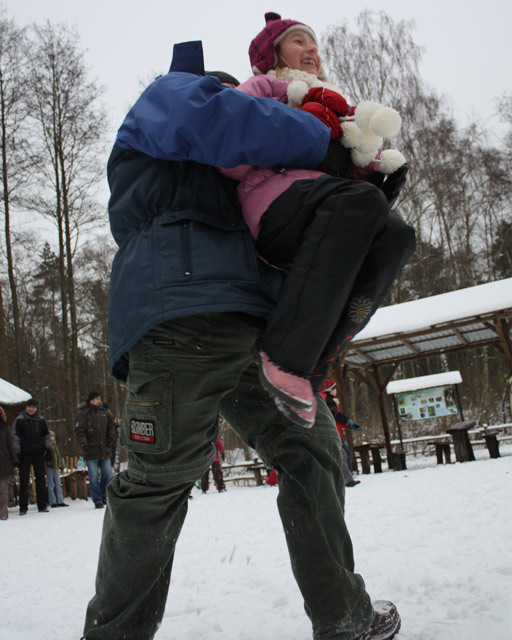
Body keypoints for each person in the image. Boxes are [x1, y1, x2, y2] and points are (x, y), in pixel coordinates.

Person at [80, 42, 402, 640]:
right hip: (182, 315)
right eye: (238, 97)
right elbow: (225, 118)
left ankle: (345, 616)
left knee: (313, 450)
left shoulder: (240, 170)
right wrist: (318, 134)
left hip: (252, 327)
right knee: (157, 481)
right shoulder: (173, 97)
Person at [218, 13, 415, 428]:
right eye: (297, 41)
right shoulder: (261, 87)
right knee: (362, 201)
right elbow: (229, 155)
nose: (310, 49)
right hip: (274, 204)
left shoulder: (336, 105)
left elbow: (346, 179)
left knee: (397, 234)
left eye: (313, 43)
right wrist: (297, 128)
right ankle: (285, 356)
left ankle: (315, 364)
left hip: (327, 207)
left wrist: (372, 169)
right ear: (272, 54)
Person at [74, 392, 116, 509]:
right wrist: (83, 443)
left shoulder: (104, 412)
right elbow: (79, 431)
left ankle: (103, 494)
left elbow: (111, 425)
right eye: (97, 399)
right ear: (91, 400)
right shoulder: (83, 414)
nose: (99, 401)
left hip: (104, 449)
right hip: (90, 450)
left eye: (99, 398)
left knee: (108, 474)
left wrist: (111, 436)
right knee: (93, 477)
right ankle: (97, 500)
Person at [12, 398, 52, 515]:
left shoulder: (41, 421)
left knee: (40, 479)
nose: (31, 409)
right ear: (26, 407)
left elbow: (46, 436)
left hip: (39, 453)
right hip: (24, 453)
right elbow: (15, 437)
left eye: (33, 407)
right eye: (29, 407)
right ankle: (23, 507)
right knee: (24, 481)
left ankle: (42, 505)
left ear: (36, 408)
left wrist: (48, 449)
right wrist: (17, 452)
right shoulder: (20, 420)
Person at [320, 379, 361, 487]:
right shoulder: (327, 400)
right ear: (329, 390)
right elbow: (335, 416)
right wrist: (347, 422)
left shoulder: (329, 400)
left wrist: (347, 424)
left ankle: (346, 477)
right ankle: (346, 480)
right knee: (342, 455)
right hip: (331, 435)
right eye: (334, 388)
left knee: (347, 454)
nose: (336, 391)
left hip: (336, 434)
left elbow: (335, 420)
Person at [0, 406, 18, 520]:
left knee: (3, 489)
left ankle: (3, 513)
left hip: (4, 462)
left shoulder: (5, 428)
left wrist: (14, 459)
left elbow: (10, 445)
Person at [45, 430, 68, 508]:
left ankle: (60, 500)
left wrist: (61, 465)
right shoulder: (47, 446)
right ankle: (53, 501)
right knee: (51, 484)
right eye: (51, 436)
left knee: (58, 483)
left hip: (56, 466)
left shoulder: (55, 446)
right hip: (50, 466)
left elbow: (58, 456)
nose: (52, 438)